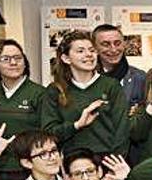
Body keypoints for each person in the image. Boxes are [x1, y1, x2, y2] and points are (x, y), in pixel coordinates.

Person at [40, 30, 131, 158]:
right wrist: (76, 125)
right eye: (81, 51)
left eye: (92, 50)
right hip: (70, 163)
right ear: (66, 58)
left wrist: (114, 168)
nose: (89, 55)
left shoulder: (111, 85)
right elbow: (49, 133)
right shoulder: (55, 90)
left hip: (107, 162)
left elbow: (122, 131)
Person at [0, 39, 47, 180]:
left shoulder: (40, 93)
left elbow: (48, 133)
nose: (13, 63)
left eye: (18, 58)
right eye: (6, 59)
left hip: (30, 169)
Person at [92, 24, 147, 106]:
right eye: (106, 44)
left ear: (124, 45)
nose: (113, 49)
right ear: (94, 48)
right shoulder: (87, 78)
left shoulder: (140, 78)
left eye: (117, 43)